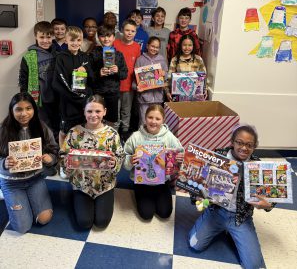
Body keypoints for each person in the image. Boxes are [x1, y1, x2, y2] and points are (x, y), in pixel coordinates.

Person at [188, 124, 275, 269]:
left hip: (240, 218)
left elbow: (271, 198)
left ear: (255, 147)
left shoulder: (258, 166)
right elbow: (196, 181)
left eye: (249, 145)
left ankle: (232, 234)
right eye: (239, 142)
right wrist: (197, 196)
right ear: (232, 142)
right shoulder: (217, 156)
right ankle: (214, 224)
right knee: (194, 245)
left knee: (253, 266)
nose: (244, 148)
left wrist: (268, 205)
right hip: (216, 211)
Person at [61, 94, 124, 229]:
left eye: (98, 111)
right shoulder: (74, 132)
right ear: (84, 111)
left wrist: (115, 163)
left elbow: (120, 156)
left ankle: (101, 199)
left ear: (105, 112)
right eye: (89, 111)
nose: (93, 115)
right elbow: (63, 155)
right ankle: (78, 198)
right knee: (84, 223)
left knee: (101, 222)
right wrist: (66, 163)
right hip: (81, 184)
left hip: (104, 185)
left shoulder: (112, 134)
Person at [0, 93, 59, 234]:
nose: (24, 113)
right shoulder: (3, 130)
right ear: (11, 110)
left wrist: (50, 159)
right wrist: (4, 164)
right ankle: (7, 195)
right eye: (19, 109)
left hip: (35, 179)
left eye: (28, 108)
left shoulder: (41, 126)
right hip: (11, 182)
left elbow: (54, 150)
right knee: (22, 227)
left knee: (44, 218)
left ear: (34, 109)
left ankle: (24, 201)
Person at [123, 105, 184, 220]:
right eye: (150, 117)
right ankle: (139, 193)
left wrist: (179, 158)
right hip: (141, 182)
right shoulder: (136, 137)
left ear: (163, 120)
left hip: (162, 182)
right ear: (145, 118)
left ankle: (159, 195)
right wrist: (130, 160)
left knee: (165, 213)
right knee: (146, 214)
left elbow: (180, 153)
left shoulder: (169, 137)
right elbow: (124, 160)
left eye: (157, 119)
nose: (153, 121)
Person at [52, 26, 93, 148]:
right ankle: (63, 155)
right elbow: (59, 81)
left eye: (78, 40)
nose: (75, 43)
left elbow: (91, 78)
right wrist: (75, 96)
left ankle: (80, 153)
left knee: (82, 129)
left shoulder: (85, 57)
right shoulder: (61, 57)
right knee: (65, 130)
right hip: (68, 102)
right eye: (72, 40)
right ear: (66, 40)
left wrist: (85, 70)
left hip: (83, 101)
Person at [19, 21, 60, 141]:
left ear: (53, 36)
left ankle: (56, 151)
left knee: (57, 125)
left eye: (48, 37)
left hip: (57, 97)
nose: (45, 40)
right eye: (42, 37)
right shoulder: (29, 56)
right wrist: (25, 98)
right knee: (43, 126)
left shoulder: (58, 54)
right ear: (35, 36)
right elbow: (23, 79)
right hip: (40, 100)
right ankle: (46, 149)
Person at [90, 24, 128, 128]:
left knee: (112, 120)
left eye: (109, 35)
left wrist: (117, 71)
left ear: (114, 37)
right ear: (98, 37)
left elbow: (125, 74)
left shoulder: (119, 54)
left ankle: (111, 140)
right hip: (98, 93)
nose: (106, 38)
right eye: (102, 36)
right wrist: (99, 73)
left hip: (113, 93)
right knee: (96, 117)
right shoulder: (93, 53)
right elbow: (88, 76)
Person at [114, 19, 141, 141]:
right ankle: (114, 132)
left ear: (136, 32)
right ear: (122, 30)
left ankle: (125, 132)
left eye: (132, 31)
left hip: (129, 85)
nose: (129, 33)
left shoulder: (136, 47)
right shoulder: (115, 44)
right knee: (115, 110)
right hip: (114, 84)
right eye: (127, 30)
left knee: (126, 110)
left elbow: (139, 66)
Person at [134, 36, 168, 126]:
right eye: (152, 46)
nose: (154, 49)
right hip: (144, 98)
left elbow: (166, 78)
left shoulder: (162, 60)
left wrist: (165, 74)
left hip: (158, 98)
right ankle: (141, 139)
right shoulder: (140, 60)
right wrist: (137, 87)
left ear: (159, 48)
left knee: (156, 122)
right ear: (147, 46)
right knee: (143, 121)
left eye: (157, 47)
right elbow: (135, 79)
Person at [165, 34, 206, 102]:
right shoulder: (175, 60)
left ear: (193, 46)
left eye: (190, 45)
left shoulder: (198, 59)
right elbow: (169, 78)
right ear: (180, 46)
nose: (187, 48)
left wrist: (205, 90)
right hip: (179, 97)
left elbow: (203, 77)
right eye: (184, 45)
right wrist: (167, 92)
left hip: (195, 97)